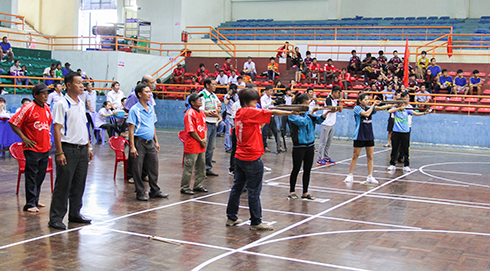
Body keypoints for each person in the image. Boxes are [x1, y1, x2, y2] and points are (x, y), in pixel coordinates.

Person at [225, 88, 297, 231]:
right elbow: (272, 112)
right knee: (254, 191)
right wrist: (290, 113)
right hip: (251, 157)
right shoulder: (249, 111)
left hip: (240, 156)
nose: (255, 105)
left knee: (237, 188)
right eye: (254, 102)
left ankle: (231, 217)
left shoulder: (240, 113)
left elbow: (260, 122)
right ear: (247, 102)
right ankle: (256, 221)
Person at [48, 72, 94, 230]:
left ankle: (75, 213)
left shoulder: (81, 103)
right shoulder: (62, 103)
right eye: (78, 83)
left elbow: (84, 127)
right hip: (68, 149)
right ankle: (56, 217)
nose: (82, 85)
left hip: (82, 150)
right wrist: (59, 152)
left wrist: (88, 146)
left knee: (79, 183)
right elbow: (57, 128)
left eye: (82, 83)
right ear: (68, 85)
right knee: (63, 184)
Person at [9, 83, 52, 213]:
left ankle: (35, 199)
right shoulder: (28, 108)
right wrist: (24, 138)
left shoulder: (47, 108)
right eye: (43, 93)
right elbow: (13, 122)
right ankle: (29, 203)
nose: (46, 96)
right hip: (32, 149)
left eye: (47, 93)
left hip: (45, 148)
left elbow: (48, 123)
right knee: (31, 176)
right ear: (35, 95)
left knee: (40, 176)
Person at [128, 83, 168, 201]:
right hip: (139, 142)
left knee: (153, 166)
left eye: (150, 92)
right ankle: (140, 192)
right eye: (146, 92)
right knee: (137, 168)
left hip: (150, 142)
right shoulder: (134, 110)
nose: (149, 94)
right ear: (139, 94)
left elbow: (152, 126)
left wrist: (156, 141)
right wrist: (132, 146)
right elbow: (131, 129)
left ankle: (155, 190)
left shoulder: (150, 108)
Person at [343, 94, 393, 186]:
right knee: (355, 156)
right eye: (365, 99)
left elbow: (380, 108)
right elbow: (366, 114)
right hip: (359, 135)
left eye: (367, 99)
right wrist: (373, 105)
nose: (367, 101)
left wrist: (391, 105)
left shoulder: (369, 107)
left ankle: (370, 176)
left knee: (370, 156)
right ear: (360, 100)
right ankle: (350, 175)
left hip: (369, 135)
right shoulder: (357, 108)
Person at [288, 94, 330, 200]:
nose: (307, 106)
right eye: (306, 104)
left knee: (307, 169)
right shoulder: (292, 114)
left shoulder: (308, 114)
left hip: (310, 145)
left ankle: (305, 192)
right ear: (299, 104)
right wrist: (311, 112)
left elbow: (319, 120)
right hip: (299, 145)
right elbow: (303, 122)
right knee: (296, 169)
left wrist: (327, 112)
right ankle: (292, 191)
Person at [387, 92, 431, 172]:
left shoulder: (407, 110)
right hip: (396, 132)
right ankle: (392, 164)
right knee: (395, 148)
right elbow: (389, 111)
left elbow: (416, 113)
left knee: (405, 149)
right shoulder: (396, 110)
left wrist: (425, 113)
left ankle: (406, 165)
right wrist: (398, 108)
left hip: (405, 132)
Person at [180, 93, 208, 195]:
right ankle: (185, 186)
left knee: (201, 166)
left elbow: (204, 128)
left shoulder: (201, 113)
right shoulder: (190, 113)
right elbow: (191, 130)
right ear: (192, 102)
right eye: (198, 99)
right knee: (189, 166)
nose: (200, 101)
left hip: (201, 144)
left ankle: (198, 185)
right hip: (193, 144)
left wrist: (204, 139)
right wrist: (201, 140)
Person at [199, 78, 221, 176]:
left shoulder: (213, 95)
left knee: (211, 147)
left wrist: (218, 109)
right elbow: (200, 110)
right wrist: (209, 113)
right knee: (204, 146)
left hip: (213, 122)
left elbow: (219, 104)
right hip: (206, 122)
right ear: (207, 85)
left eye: (216, 84)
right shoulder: (202, 95)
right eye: (213, 84)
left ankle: (208, 168)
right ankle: (201, 169)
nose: (215, 86)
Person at [317, 86, 342, 166]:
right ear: (334, 92)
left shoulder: (335, 100)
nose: (339, 95)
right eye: (338, 93)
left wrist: (340, 102)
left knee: (329, 142)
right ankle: (319, 158)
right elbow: (332, 109)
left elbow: (340, 110)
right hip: (326, 123)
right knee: (323, 142)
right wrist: (337, 108)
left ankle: (326, 157)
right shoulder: (328, 99)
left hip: (332, 124)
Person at [261, 85, 283, 153]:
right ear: (266, 91)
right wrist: (270, 103)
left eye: (272, 91)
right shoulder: (263, 98)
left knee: (276, 131)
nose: (271, 92)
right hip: (266, 116)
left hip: (272, 115)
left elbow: (273, 106)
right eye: (270, 91)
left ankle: (279, 145)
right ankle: (264, 146)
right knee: (265, 132)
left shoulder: (271, 98)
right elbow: (263, 106)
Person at [224, 84, 238, 152]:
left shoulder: (237, 96)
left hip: (236, 115)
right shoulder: (227, 96)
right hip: (229, 115)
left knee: (235, 132)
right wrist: (229, 95)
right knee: (228, 132)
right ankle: (227, 147)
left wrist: (235, 94)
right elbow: (225, 103)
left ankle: (234, 146)